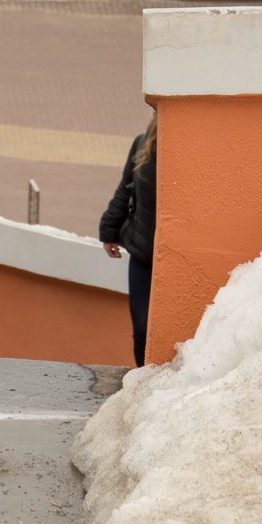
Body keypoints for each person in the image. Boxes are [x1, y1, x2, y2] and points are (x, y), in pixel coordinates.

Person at [100, 114, 157, 367]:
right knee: (141, 328)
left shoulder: (189, 148)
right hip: (142, 254)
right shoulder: (142, 144)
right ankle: (141, 378)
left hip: (176, 259)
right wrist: (109, 230)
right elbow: (125, 189)